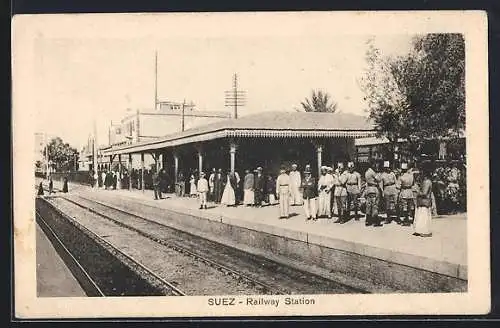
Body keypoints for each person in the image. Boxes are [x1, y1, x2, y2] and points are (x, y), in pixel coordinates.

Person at [413, 165, 433, 237]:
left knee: (424, 217)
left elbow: (424, 193)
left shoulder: (427, 182)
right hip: (423, 201)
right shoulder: (426, 181)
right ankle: (420, 230)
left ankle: (426, 231)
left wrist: (417, 192)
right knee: (421, 216)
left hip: (424, 201)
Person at [364, 161, 381, 227]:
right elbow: (379, 179)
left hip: (368, 189)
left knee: (368, 205)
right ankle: (375, 221)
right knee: (375, 205)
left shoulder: (366, 172)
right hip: (374, 189)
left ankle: (368, 220)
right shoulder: (372, 172)